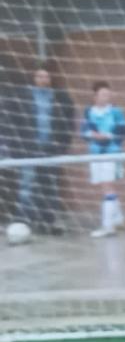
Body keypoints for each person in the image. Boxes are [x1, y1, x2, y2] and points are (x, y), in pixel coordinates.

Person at [14, 64, 75, 234]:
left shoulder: (59, 97)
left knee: (50, 186)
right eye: (40, 76)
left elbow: (68, 122)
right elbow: (12, 120)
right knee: (26, 185)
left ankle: (47, 222)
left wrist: (63, 145)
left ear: (50, 78)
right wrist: (18, 146)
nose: (43, 80)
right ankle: (23, 222)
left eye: (46, 77)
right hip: (29, 150)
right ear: (34, 78)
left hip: (51, 149)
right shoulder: (23, 96)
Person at [80, 80, 125, 238]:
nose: (106, 97)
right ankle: (119, 219)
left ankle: (108, 226)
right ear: (94, 96)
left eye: (108, 94)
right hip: (95, 153)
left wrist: (108, 136)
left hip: (111, 152)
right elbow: (84, 131)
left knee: (108, 186)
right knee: (105, 186)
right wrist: (92, 135)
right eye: (102, 94)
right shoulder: (89, 112)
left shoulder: (116, 112)